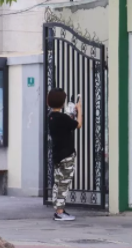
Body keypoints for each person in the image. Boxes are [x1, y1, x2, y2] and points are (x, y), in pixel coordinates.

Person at [47, 88, 82, 221]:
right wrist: (79, 110)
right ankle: (60, 213)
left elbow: (67, 122)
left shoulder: (51, 117)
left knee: (58, 182)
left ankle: (58, 209)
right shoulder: (62, 118)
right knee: (64, 183)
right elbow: (78, 125)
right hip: (66, 155)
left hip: (57, 155)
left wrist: (71, 113)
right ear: (62, 103)